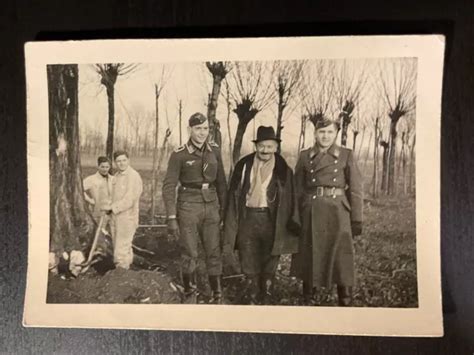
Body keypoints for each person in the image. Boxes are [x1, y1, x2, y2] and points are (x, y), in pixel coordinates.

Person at [223, 126, 300, 305]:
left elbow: (291, 197)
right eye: (262, 146)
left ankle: (266, 295)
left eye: (270, 146)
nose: (265, 150)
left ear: (275, 147)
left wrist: (291, 221)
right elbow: (233, 192)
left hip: (272, 219)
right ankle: (251, 294)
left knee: (271, 256)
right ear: (256, 146)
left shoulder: (283, 169)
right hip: (248, 217)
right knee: (248, 255)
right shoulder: (243, 165)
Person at [291, 117, 363, 306]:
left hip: (337, 210)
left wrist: (357, 219)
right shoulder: (305, 155)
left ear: (336, 134)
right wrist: (295, 217)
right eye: (322, 132)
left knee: (341, 254)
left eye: (330, 132)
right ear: (315, 133)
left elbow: (355, 188)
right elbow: (297, 189)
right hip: (311, 209)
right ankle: (308, 295)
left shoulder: (346, 155)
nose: (325, 136)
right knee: (310, 250)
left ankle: (344, 297)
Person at [162, 112, 227, 303]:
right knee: (190, 251)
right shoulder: (179, 154)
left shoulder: (214, 150)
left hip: (211, 205)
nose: (202, 133)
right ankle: (190, 290)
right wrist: (171, 217)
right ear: (190, 129)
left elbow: (222, 182)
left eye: (205, 129)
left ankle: (217, 292)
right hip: (188, 205)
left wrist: (224, 210)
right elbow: (168, 186)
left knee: (214, 250)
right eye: (198, 129)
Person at [102, 151, 143, 270]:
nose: (121, 163)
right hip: (115, 217)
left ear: (128, 160)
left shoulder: (133, 176)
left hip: (127, 218)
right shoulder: (116, 177)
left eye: (124, 160)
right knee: (120, 247)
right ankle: (126, 273)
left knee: (121, 250)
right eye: (118, 161)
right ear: (115, 163)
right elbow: (112, 196)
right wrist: (108, 208)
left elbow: (130, 199)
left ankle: (120, 275)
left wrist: (113, 208)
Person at [83, 156, 113, 224]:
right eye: (102, 167)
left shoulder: (113, 179)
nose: (105, 169)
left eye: (107, 167)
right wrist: (90, 200)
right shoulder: (91, 179)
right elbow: (80, 190)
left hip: (112, 213)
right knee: (99, 233)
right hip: (98, 212)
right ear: (98, 166)